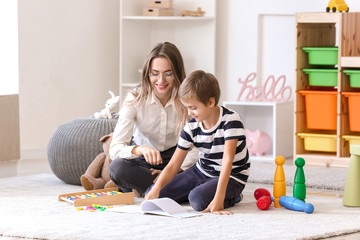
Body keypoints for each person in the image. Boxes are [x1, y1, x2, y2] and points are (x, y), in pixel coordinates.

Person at [145, 70, 250, 215]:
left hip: (232, 177)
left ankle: (233, 197)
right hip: (201, 171)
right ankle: (200, 192)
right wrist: (156, 190)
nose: (189, 113)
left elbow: (228, 160)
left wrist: (219, 199)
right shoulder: (191, 126)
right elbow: (174, 164)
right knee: (152, 192)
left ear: (211, 102)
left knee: (197, 201)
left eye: (193, 108)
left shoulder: (231, 120)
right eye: (187, 108)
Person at [109, 42, 190, 196]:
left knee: (205, 169)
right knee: (117, 168)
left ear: (177, 73)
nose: (161, 80)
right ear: (147, 73)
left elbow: (196, 148)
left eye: (168, 73)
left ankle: (156, 188)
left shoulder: (187, 99)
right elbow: (115, 148)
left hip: (176, 160)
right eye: (155, 73)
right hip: (144, 162)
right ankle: (172, 190)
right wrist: (140, 149)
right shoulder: (135, 98)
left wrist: (174, 171)